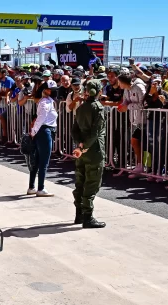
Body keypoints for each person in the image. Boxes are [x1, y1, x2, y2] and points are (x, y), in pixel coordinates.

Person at [72, 79, 107, 228]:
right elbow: (95, 132)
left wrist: (80, 145)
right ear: (99, 92)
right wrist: (85, 146)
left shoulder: (81, 108)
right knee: (91, 183)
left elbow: (74, 129)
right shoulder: (98, 108)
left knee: (80, 181)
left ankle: (79, 213)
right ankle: (88, 216)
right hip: (94, 150)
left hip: (82, 150)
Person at [28, 79, 58, 197]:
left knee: (37, 161)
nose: (53, 92)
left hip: (44, 131)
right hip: (45, 132)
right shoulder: (45, 103)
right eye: (51, 89)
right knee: (43, 162)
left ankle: (32, 187)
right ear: (45, 90)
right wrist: (33, 132)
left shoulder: (47, 101)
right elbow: (40, 119)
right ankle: (40, 188)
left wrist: (34, 132)